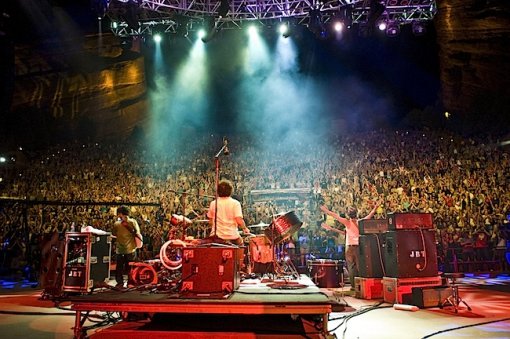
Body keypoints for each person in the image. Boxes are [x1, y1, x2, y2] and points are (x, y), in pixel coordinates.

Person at [320, 203, 378, 291]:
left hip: (349, 247)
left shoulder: (347, 222)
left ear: (348, 215)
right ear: (356, 213)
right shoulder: (360, 222)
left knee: (351, 267)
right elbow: (370, 215)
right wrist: (375, 207)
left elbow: (336, 216)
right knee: (360, 266)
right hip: (358, 247)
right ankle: (361, 286)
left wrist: (326, 211)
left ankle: (353, 287)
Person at [207, 179, 250, 246]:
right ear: (230, 191)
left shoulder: (213, 203)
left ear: (218, 191)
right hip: (232, 237)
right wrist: (245, 228)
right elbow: (239, 219)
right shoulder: (235, 203)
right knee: (242, 247)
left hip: (217, 238)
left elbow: (210, 221)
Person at [112, 205, 142, 289]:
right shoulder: (133, 222)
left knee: (119, 268)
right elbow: (137, 233)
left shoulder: (116, 224)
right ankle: (130, 282)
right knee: (130, 267)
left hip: (120, 250)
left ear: (120, 213)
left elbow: (114, 234)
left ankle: (120, 283)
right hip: (131, 249)